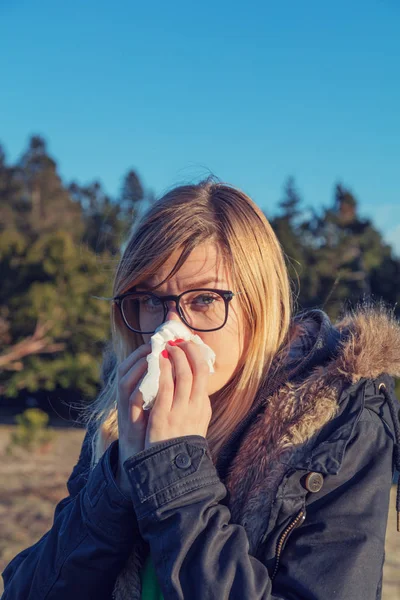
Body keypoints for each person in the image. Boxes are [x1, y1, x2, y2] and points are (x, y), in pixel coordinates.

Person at [2, 178, 400, 600]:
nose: (168, 329)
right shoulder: (119, 420)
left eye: (204, 299)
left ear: (257, 303)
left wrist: (175, 473)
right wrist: (118, 479)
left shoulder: (340, 424)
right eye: (151, 300)